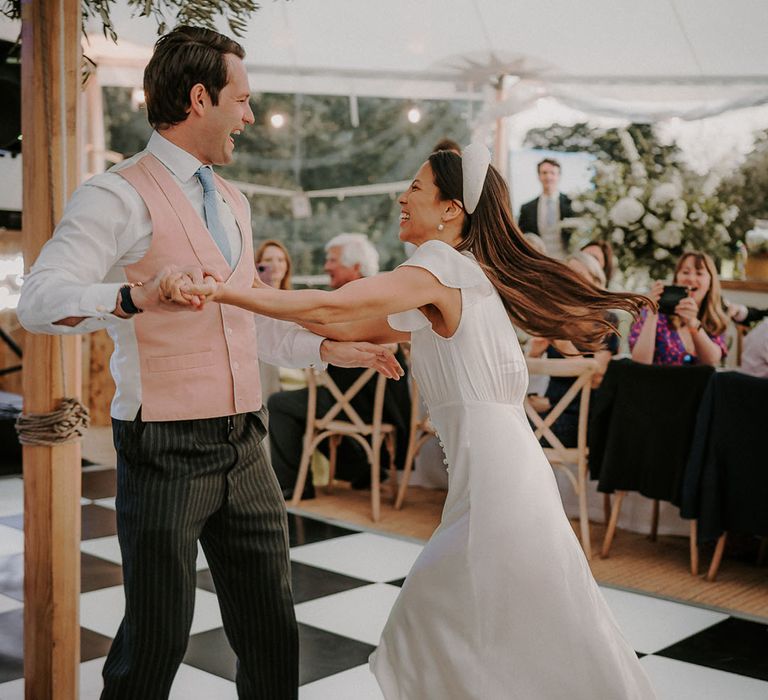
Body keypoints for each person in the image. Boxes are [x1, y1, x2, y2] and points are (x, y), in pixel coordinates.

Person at [169, 145, 656, 698]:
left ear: (451, 209)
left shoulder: (440, 266)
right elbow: (353, 328)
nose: (403, 197)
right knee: (501, 627)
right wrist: (309, 333)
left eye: (417, 189)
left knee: (445, 627)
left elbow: (336, 307)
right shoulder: (456, 278)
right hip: (502, 476)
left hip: (499, 486)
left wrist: (224, 290)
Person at [16, 25, 401, 700]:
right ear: (201, 99)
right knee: (155, 643)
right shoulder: (116, 194)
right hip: (164, 446)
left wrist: (324, 349)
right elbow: (40, 302)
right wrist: (133, 296)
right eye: (243, 100)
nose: (249, 117)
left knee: (273, 635)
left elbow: (245, 322)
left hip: (245, 444)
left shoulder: (233, 200)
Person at [267, 233, 411, 498]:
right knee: (314, 407)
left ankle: (290, 485)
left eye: (332, 260)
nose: (326, 266)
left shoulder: (352, 300)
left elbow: (337, 328)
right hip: (385, 404)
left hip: (363, 402)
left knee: (281, 404)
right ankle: (360, 470)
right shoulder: (378, 293)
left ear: (355, 267)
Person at [527, 251, 619, 447]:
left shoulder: (606, 320)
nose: (571, 281)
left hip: (582, 416)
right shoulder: (553, 317)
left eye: (579, 275)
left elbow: (596, 378)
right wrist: (534, 353)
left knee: (514, 435)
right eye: (566, 276)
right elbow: (526, 377)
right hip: (548, 409)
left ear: (595, 280)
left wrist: (564, 346)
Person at [630, 251, 729, 367]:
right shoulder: (656, 315)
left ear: (710, 283)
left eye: (699, 273)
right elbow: (640, 363)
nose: (691, 279)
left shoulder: (714, 321)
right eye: (685, 272)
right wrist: (652, 314)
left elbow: (711, 361)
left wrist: (692, 323)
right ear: (676, 279)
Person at [517, 157, 574, 259]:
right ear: (539, 176)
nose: (548, 177)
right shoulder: (527, 208)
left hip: (567, 259)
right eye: (544, 173)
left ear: (559, 176)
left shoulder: (572, 204)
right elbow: (522, 237)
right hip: (538, 260)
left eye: (552, 173)